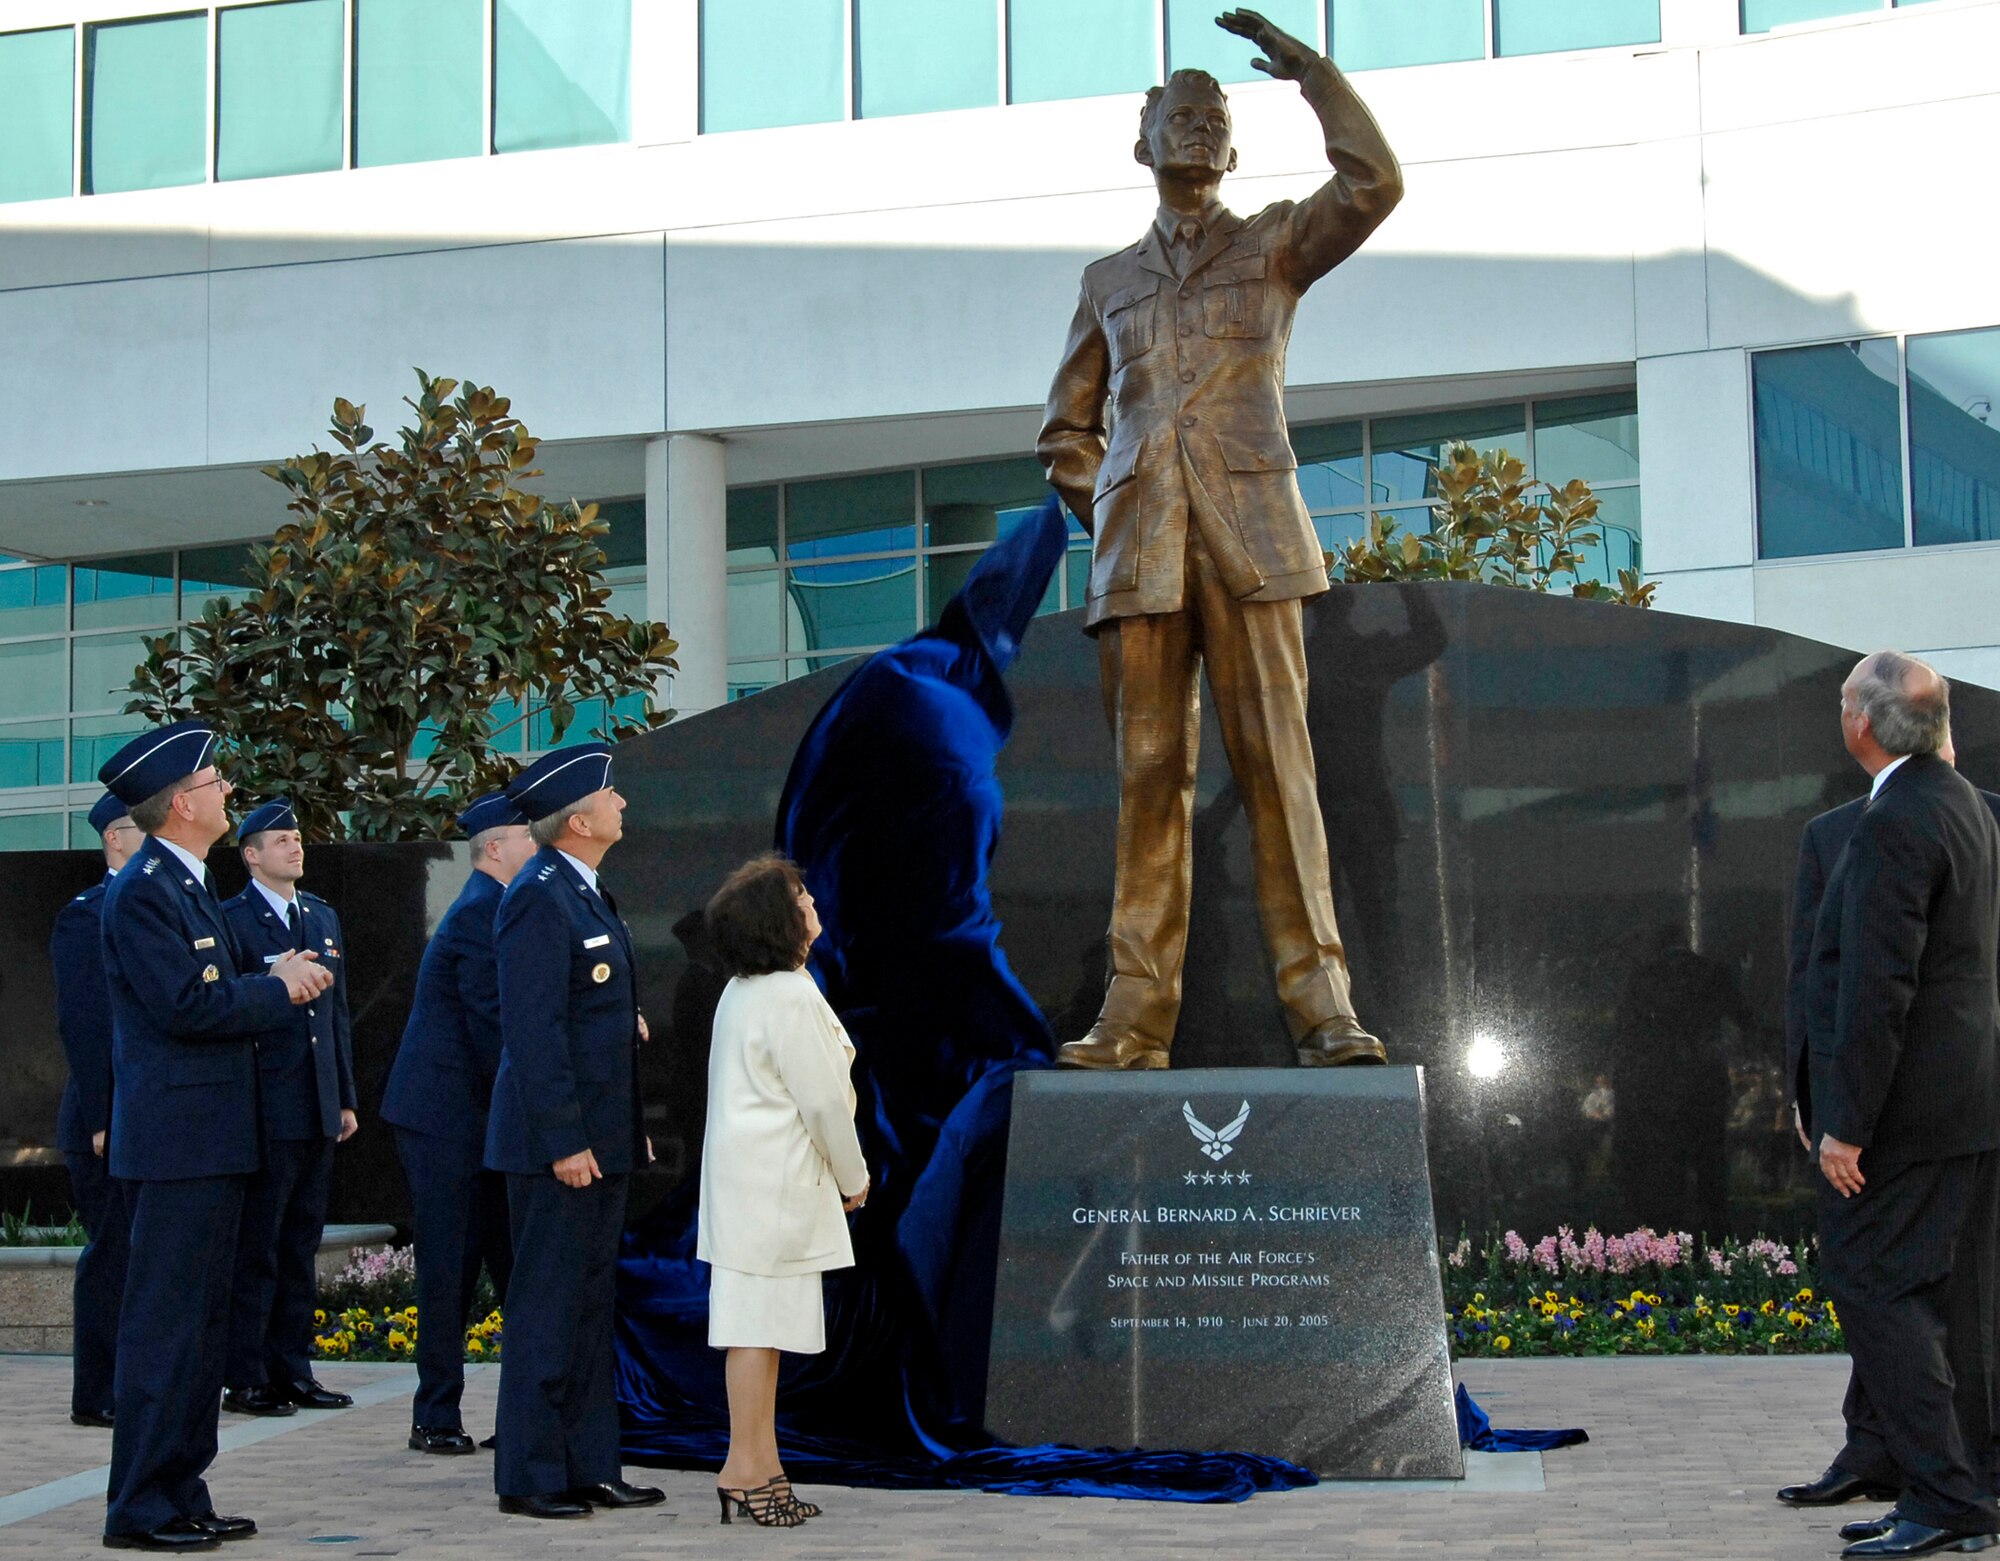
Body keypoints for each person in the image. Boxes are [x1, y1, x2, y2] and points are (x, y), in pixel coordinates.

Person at [1037, 8, 1404, 1070]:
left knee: (1279, 772)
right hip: (1139, 554)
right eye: (1176, 116)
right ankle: (1133, 1017)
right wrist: (1109, 504)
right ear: (1142, 143)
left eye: (1212, 118)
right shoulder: (1105, 281)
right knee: (1148, 782)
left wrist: (1313, 76)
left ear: (1232, 150)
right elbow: (1066, 428)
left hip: (1252, 539)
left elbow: (1373, 185)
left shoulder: (1275, 243)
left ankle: (1322, 1004)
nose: (1195, 129)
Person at [95, 722, 333, 1553]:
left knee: (201, 1332)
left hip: (215, 1140)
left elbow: (220, 986)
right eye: (216, 781)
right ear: (182, 802)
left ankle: (181, 1490)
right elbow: (188, 1008)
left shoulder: (187, 881)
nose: (227, 791)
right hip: (178, 1146)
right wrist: (280, 988)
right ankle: (141, 1506)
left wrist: (269, 976)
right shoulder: (146, 889)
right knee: (167, 1330)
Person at [1800, 653, 2000, 1560]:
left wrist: (1846, 1124)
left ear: (1864, 725)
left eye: (1845, 701)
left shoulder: (1894, 820)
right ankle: (1938, 1488)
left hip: (1909, 1114)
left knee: (1873, 1283)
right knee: (1920, 1291)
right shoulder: (1958, 803)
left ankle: (1948, 1497)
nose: (1842, 715)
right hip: (1962, 1104)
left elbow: (1881, 988)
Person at [484, 743, 661, 1520]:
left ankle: (590, 1463)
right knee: (548, 1306)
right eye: (611, 796)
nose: (622, 804)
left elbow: (603, 1029)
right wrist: (564, 1140)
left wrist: (627, 1130)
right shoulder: (539, 895)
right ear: (579, 818)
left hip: (601, 1138)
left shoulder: (587, 892)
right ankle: (529, 1471)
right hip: (557, 1147)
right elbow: (534, 1031)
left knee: (590, 1307)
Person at [698, 852, 869, 1527]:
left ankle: (761, 1465)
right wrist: (854, 1180)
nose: (812, 900)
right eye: (799, 892)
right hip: (773, 1192)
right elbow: (826, 1102)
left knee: (756, 1333)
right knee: (755, 1332)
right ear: (779, 918)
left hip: (751, 1190)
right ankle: (746, 1467)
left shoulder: (746, 990)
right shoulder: (789, 994)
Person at [381, 791, 533, 1454]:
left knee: (511, 1264)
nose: (539, 843)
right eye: (528, 835)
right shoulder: (480, 912)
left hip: (481, 1122)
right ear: (495, 847)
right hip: (445, 1124)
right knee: (449, 1266)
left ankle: (523, 1413)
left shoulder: (499, 906)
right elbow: (494, 1027)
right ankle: (435, 1416)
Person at [218, 799, 359, 1418]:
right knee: (260, 1248)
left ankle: (293, 1370)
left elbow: (337, 1019)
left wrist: (345, 1097)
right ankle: (247, 1375)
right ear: (251, 855)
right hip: (263, 1105)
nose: (294, 847)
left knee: (300, 1245)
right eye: (279, 840)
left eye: (297, 838)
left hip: (316, 1104)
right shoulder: (232, 921)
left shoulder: (322, 916)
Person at [50, 791, 140, 1429]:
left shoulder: (157, 901)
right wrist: (104, 1116)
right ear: (114, 837)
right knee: (111, 1253)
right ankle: (98, 1391)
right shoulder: (88, 914)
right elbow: (84, 1023)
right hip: (103, 1119)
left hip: (147, 1114)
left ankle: (135, 1384)